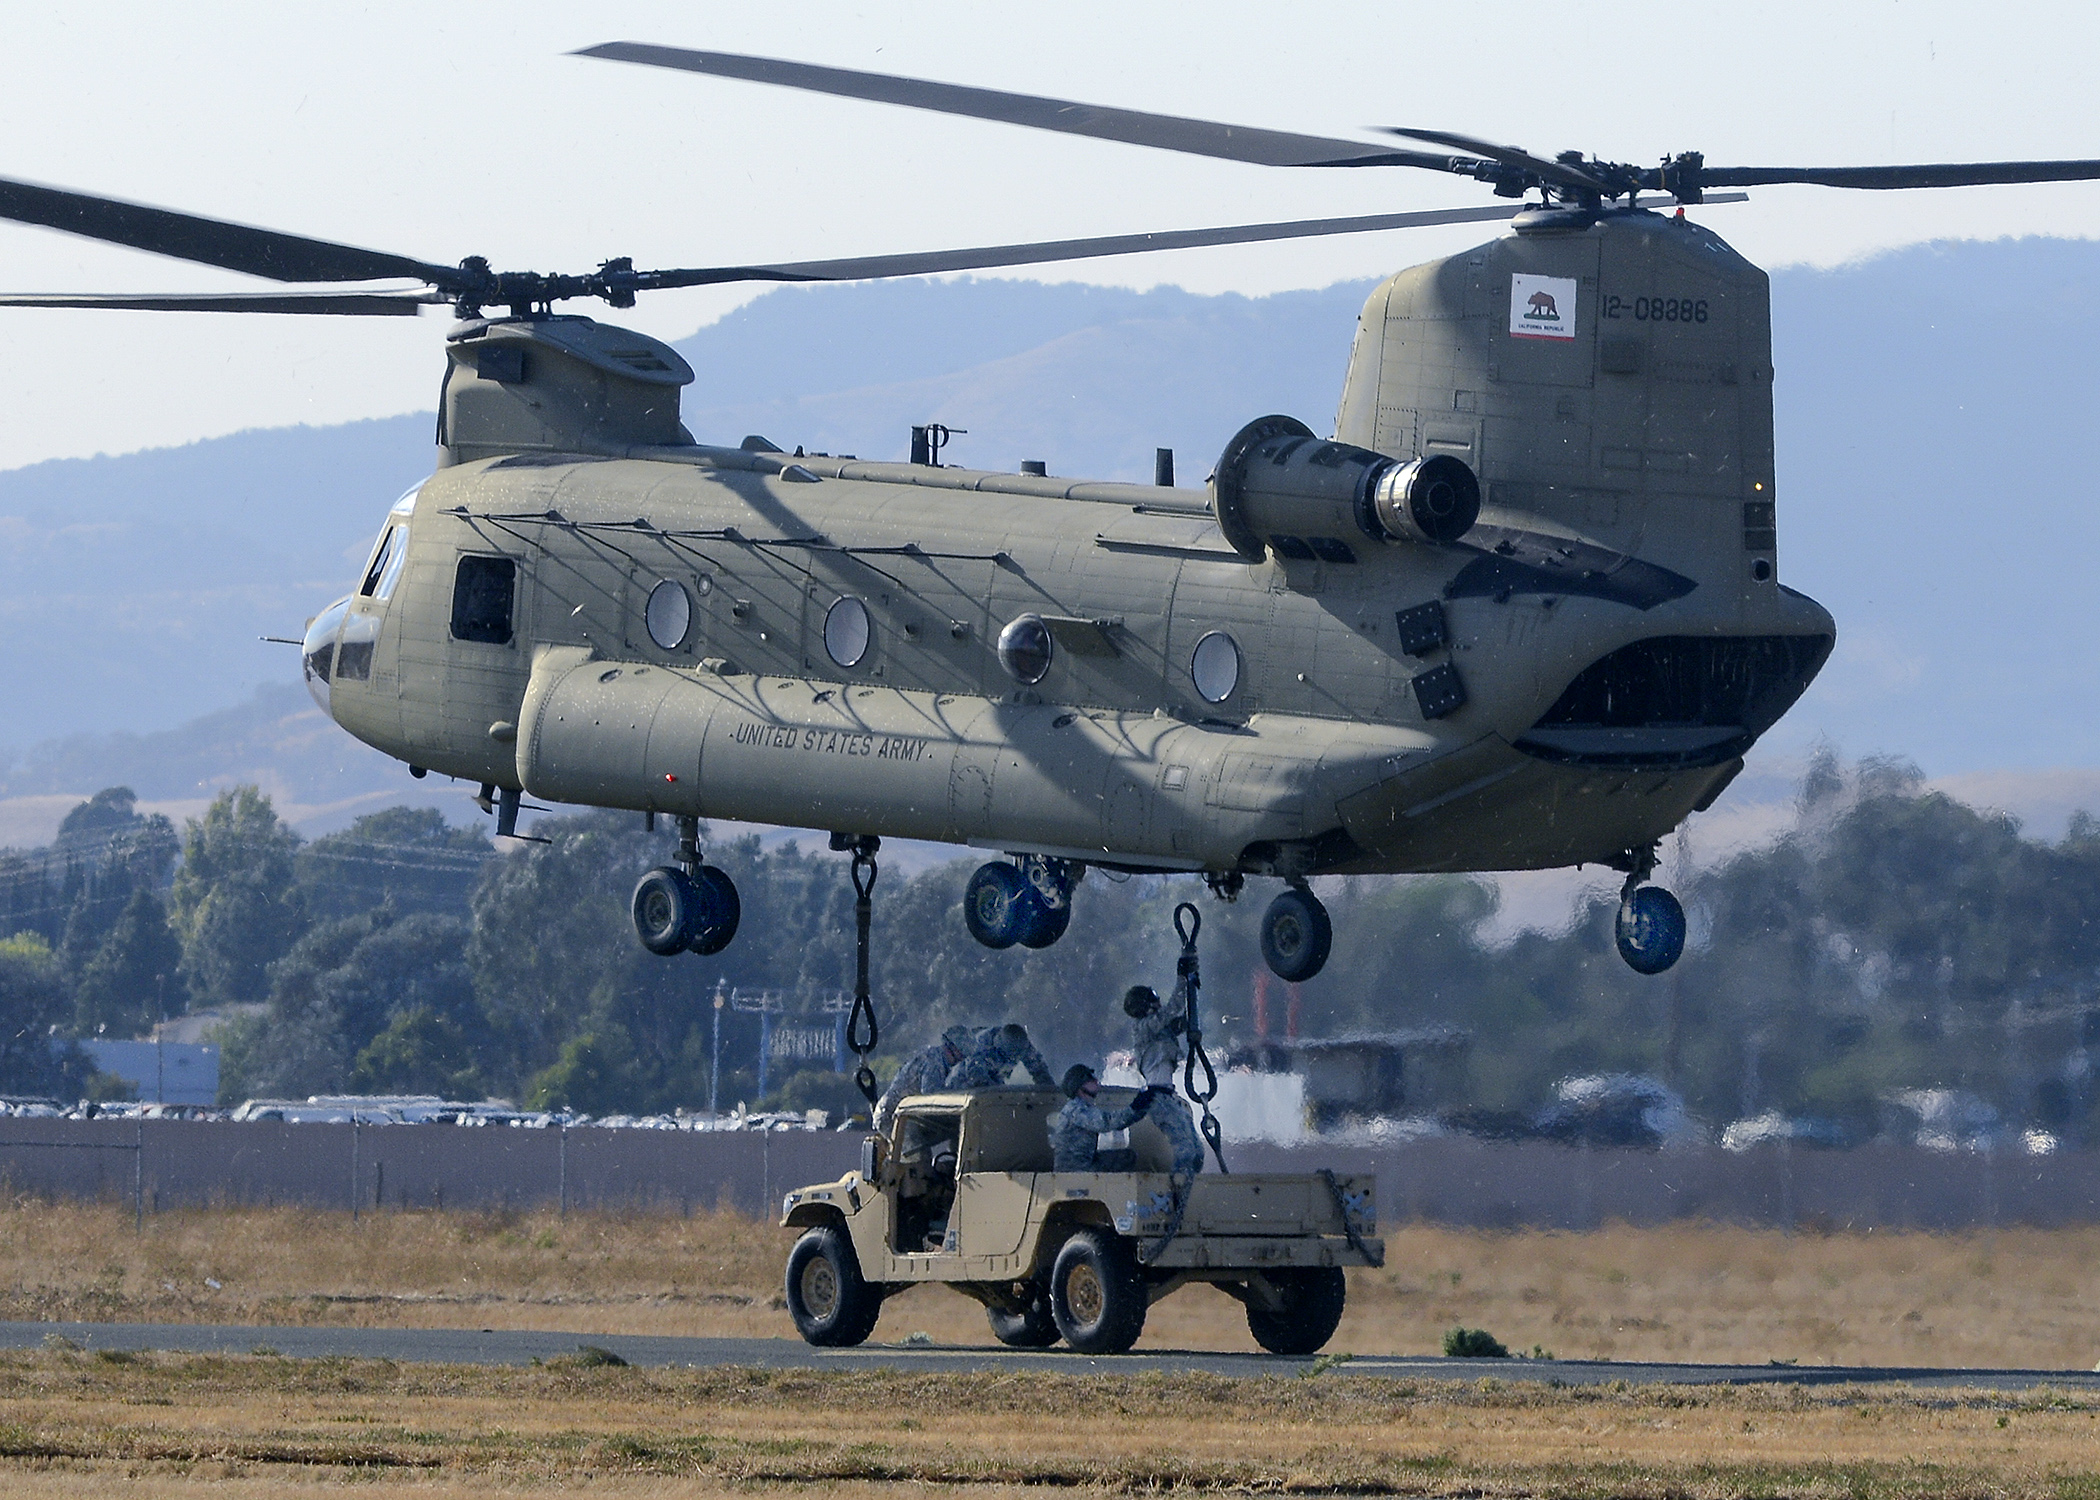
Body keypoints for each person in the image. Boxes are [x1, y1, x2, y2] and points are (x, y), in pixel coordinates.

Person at [1123, 984, 1205, 1178]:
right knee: (1185, 1153)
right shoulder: (1144, 1027)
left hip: (1169, 1097)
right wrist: (1182, 979)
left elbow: (1177, 1022)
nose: (1159, 1004)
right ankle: (1175, 1195)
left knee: (1196, 1154)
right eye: (1154, 1001)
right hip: (1158, 1098)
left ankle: (1185, 1189)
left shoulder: (1157, 1029)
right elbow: (1172, 1008)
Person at [1048, 1063, 1154, 1172]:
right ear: (1079, 1086)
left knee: (1125, 1156)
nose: (1095, 1080)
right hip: (1075, 1170)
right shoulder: (1077, 1109)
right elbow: (1108, 1123)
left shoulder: (1079, 1106)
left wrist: (1140, 1108)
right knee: (1127, 1157)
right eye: (1090, 1078)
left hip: (1082, 1164)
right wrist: (1136, 1106)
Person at [872, 1025, 973, 1134]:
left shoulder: (939, 1060)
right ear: (953, 1048)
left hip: (907, 1115)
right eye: (961, 1052)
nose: (961, 1059)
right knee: (913, 1147)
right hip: (891, 1117)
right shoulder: (934, 1061)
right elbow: (931, 1096)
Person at [944, 1022, 1056, 1091]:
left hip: (995, 1075)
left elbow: (1039, 1069)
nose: (1013, 1059)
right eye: (1010, 1055)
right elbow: (977, 1077)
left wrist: (1049, 1089)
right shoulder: (981, 1045)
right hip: (964, 1077)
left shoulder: (1022, 1044)